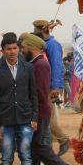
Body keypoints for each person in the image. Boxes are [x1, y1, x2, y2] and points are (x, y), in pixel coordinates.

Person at [17, 33, 76, 165]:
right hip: (39, 111)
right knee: (34, 148)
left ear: (31, 48)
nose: (22, 50)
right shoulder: (36, 63)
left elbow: (40, 92)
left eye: (23, 47)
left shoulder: (40, 65)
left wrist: (33, 113)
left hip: (39, 112)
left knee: (38, 147)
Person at [0, 34, 40, 165]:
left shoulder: (27, 68)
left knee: (26, 157)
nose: (12, 52)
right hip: (6, 122)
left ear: (19, 49)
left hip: (26, 119)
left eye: (14, 48)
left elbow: (34, 95)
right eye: (8, 49)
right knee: (6, 159)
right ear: (3, 51)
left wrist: (34, 118)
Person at [32, 20, 71, 157]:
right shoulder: (44, 44)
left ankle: (62, 140)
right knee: (46, 117)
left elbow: (57, 66)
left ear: (41, 30)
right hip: (43, 85)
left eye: (35, 30)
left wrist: (56, 86)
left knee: (47, 118)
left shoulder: (53, 45)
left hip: (49, 86)